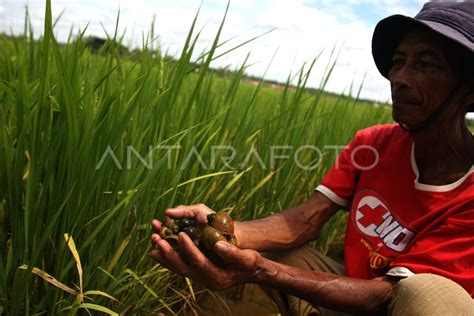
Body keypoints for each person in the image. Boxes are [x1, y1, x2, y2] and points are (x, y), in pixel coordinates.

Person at [151, 2, 474, 315]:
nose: (400, 79)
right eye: (399, 61)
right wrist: (226, 233)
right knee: (247, 254)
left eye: (426, 65)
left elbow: (385, 295)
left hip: (395, 304)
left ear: (468, 91)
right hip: (355, 289)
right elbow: (306, 219)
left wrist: (262, 271)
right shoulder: (373, 144)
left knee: (424, 294)